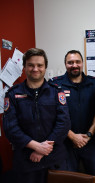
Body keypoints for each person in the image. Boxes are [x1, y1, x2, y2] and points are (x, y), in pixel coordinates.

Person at [3, 48, 70, 183]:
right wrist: (35, 146)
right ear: (24, 67)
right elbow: (10, 127)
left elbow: (64, 123)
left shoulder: (56, 91)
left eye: (39, 65)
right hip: (26, 161)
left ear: (45, 67)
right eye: (31, 65)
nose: (35, 69)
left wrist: (42, 149)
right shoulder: (13, 94)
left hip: (54, 158)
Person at [49, 50, 95, 183]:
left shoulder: (94, 83)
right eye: (70, 62)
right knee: (67, 179)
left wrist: (89, 134)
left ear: (82, 63)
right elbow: (51, 114)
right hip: (65, 143)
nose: (74, 65)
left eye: (77, 62)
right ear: (65, 64)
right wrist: (72, 136)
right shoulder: (55, 84)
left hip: (90, 142)